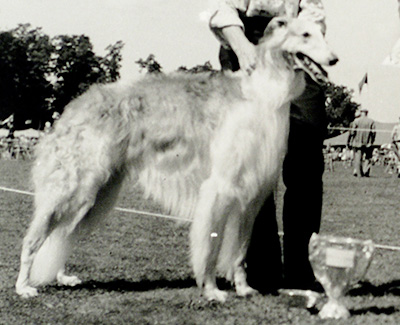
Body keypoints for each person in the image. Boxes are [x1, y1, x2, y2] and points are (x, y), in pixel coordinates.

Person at [209, 0, 328, 292]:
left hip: (296, 48)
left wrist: (298, 39)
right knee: (252, 170)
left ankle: (302, 271)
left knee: (306, 163)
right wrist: (244, 48)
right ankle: (261, 271)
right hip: (244, 45)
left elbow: (314, 13)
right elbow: (222, 8)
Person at [347, 109, 376, 177]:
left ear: (361, 113)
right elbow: (374, 132)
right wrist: (372, 141)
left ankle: (359, 173)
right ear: (367, 113)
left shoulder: (356, 121)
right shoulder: (371, 121)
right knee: (368, 158)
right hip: (368, 143)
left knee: (358, 158)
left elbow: (352, 132)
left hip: (357, 143)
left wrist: (350, 140)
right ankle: (366, 171)